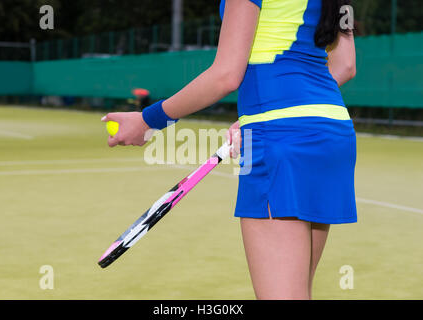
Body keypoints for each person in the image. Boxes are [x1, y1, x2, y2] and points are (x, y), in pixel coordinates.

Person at [102, 0, 357, 300]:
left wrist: (148, 121)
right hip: (333, 133)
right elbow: (345, 65)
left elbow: (225, 75)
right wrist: (260, 114)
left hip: (280, 138)